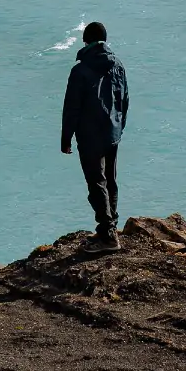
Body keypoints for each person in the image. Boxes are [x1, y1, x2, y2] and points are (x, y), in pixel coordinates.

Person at [61, 21, 129, 248]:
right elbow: (124, 100)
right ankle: (110, 227)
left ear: (85, 41)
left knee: (96, 183)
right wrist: (119, 127)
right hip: (113, 133)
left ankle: (108, 235)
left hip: (90, 135)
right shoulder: (117, 64)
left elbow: (72, 107)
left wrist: (66, 138)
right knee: (110, 180)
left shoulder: (80, 70)